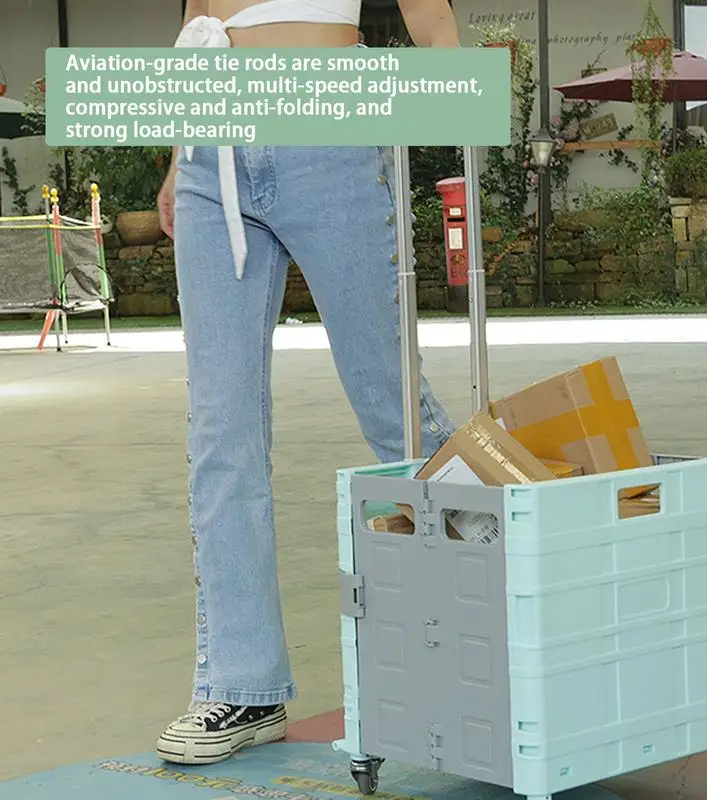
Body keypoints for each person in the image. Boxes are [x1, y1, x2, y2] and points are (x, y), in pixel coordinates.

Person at [155, 0, 460, 767]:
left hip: (326, 124)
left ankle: (498, 626)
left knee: (393, 402)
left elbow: (429, 13)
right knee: (220, 429)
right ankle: (242, 685)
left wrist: (461, 105)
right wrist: (176, 155)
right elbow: (199, 16)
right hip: (210, 148)